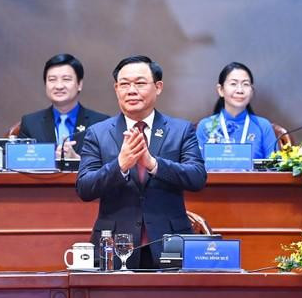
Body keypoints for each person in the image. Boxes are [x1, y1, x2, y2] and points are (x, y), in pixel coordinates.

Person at [77, 55, 207, 269]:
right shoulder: (98, 133)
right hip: (114, 245)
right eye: (124, 84)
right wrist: (120, 165)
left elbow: (197, 178)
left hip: (170, 243)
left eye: (139, 83)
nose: (131, 90)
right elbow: (84, 187)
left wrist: (154, 164)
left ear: (158, 87)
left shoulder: (181, 130)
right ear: (116, 89)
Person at [18, 54, 109, 159]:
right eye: (52, 80)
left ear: (79, 84)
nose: (59, 86)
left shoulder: (100, 123)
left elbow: (108, 167)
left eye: (66, 79)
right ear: (45, 84)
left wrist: (77, 162)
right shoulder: (30, 123)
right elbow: (21, 164)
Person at [195, 62, 277, 159]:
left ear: (251, 91)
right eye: (233, 84)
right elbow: (197, 168)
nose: (240, 90)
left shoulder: (263, 126)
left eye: (245, 84)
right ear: (220, 90)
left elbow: (275, 168)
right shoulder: (205, 126)